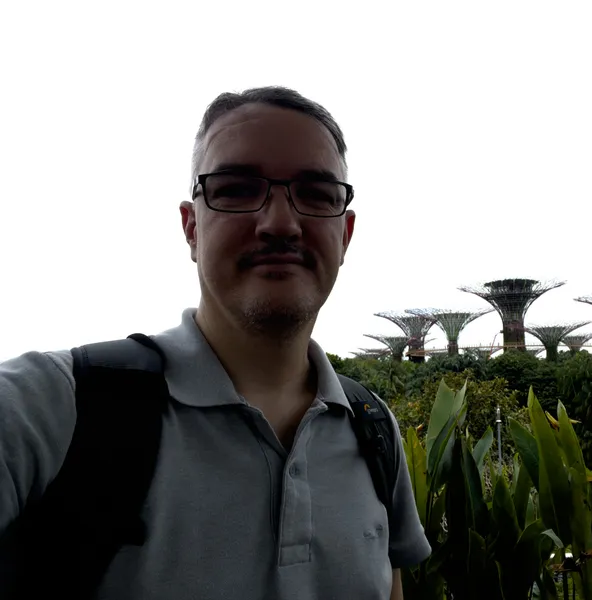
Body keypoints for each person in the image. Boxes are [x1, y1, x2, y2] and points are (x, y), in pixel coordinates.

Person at [0, 86, 431, 599]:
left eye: (317, 194)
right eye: (237, 189)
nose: (280, 224)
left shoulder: (371, 428)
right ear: (191, 228)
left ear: (346, 234)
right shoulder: (55, 406)